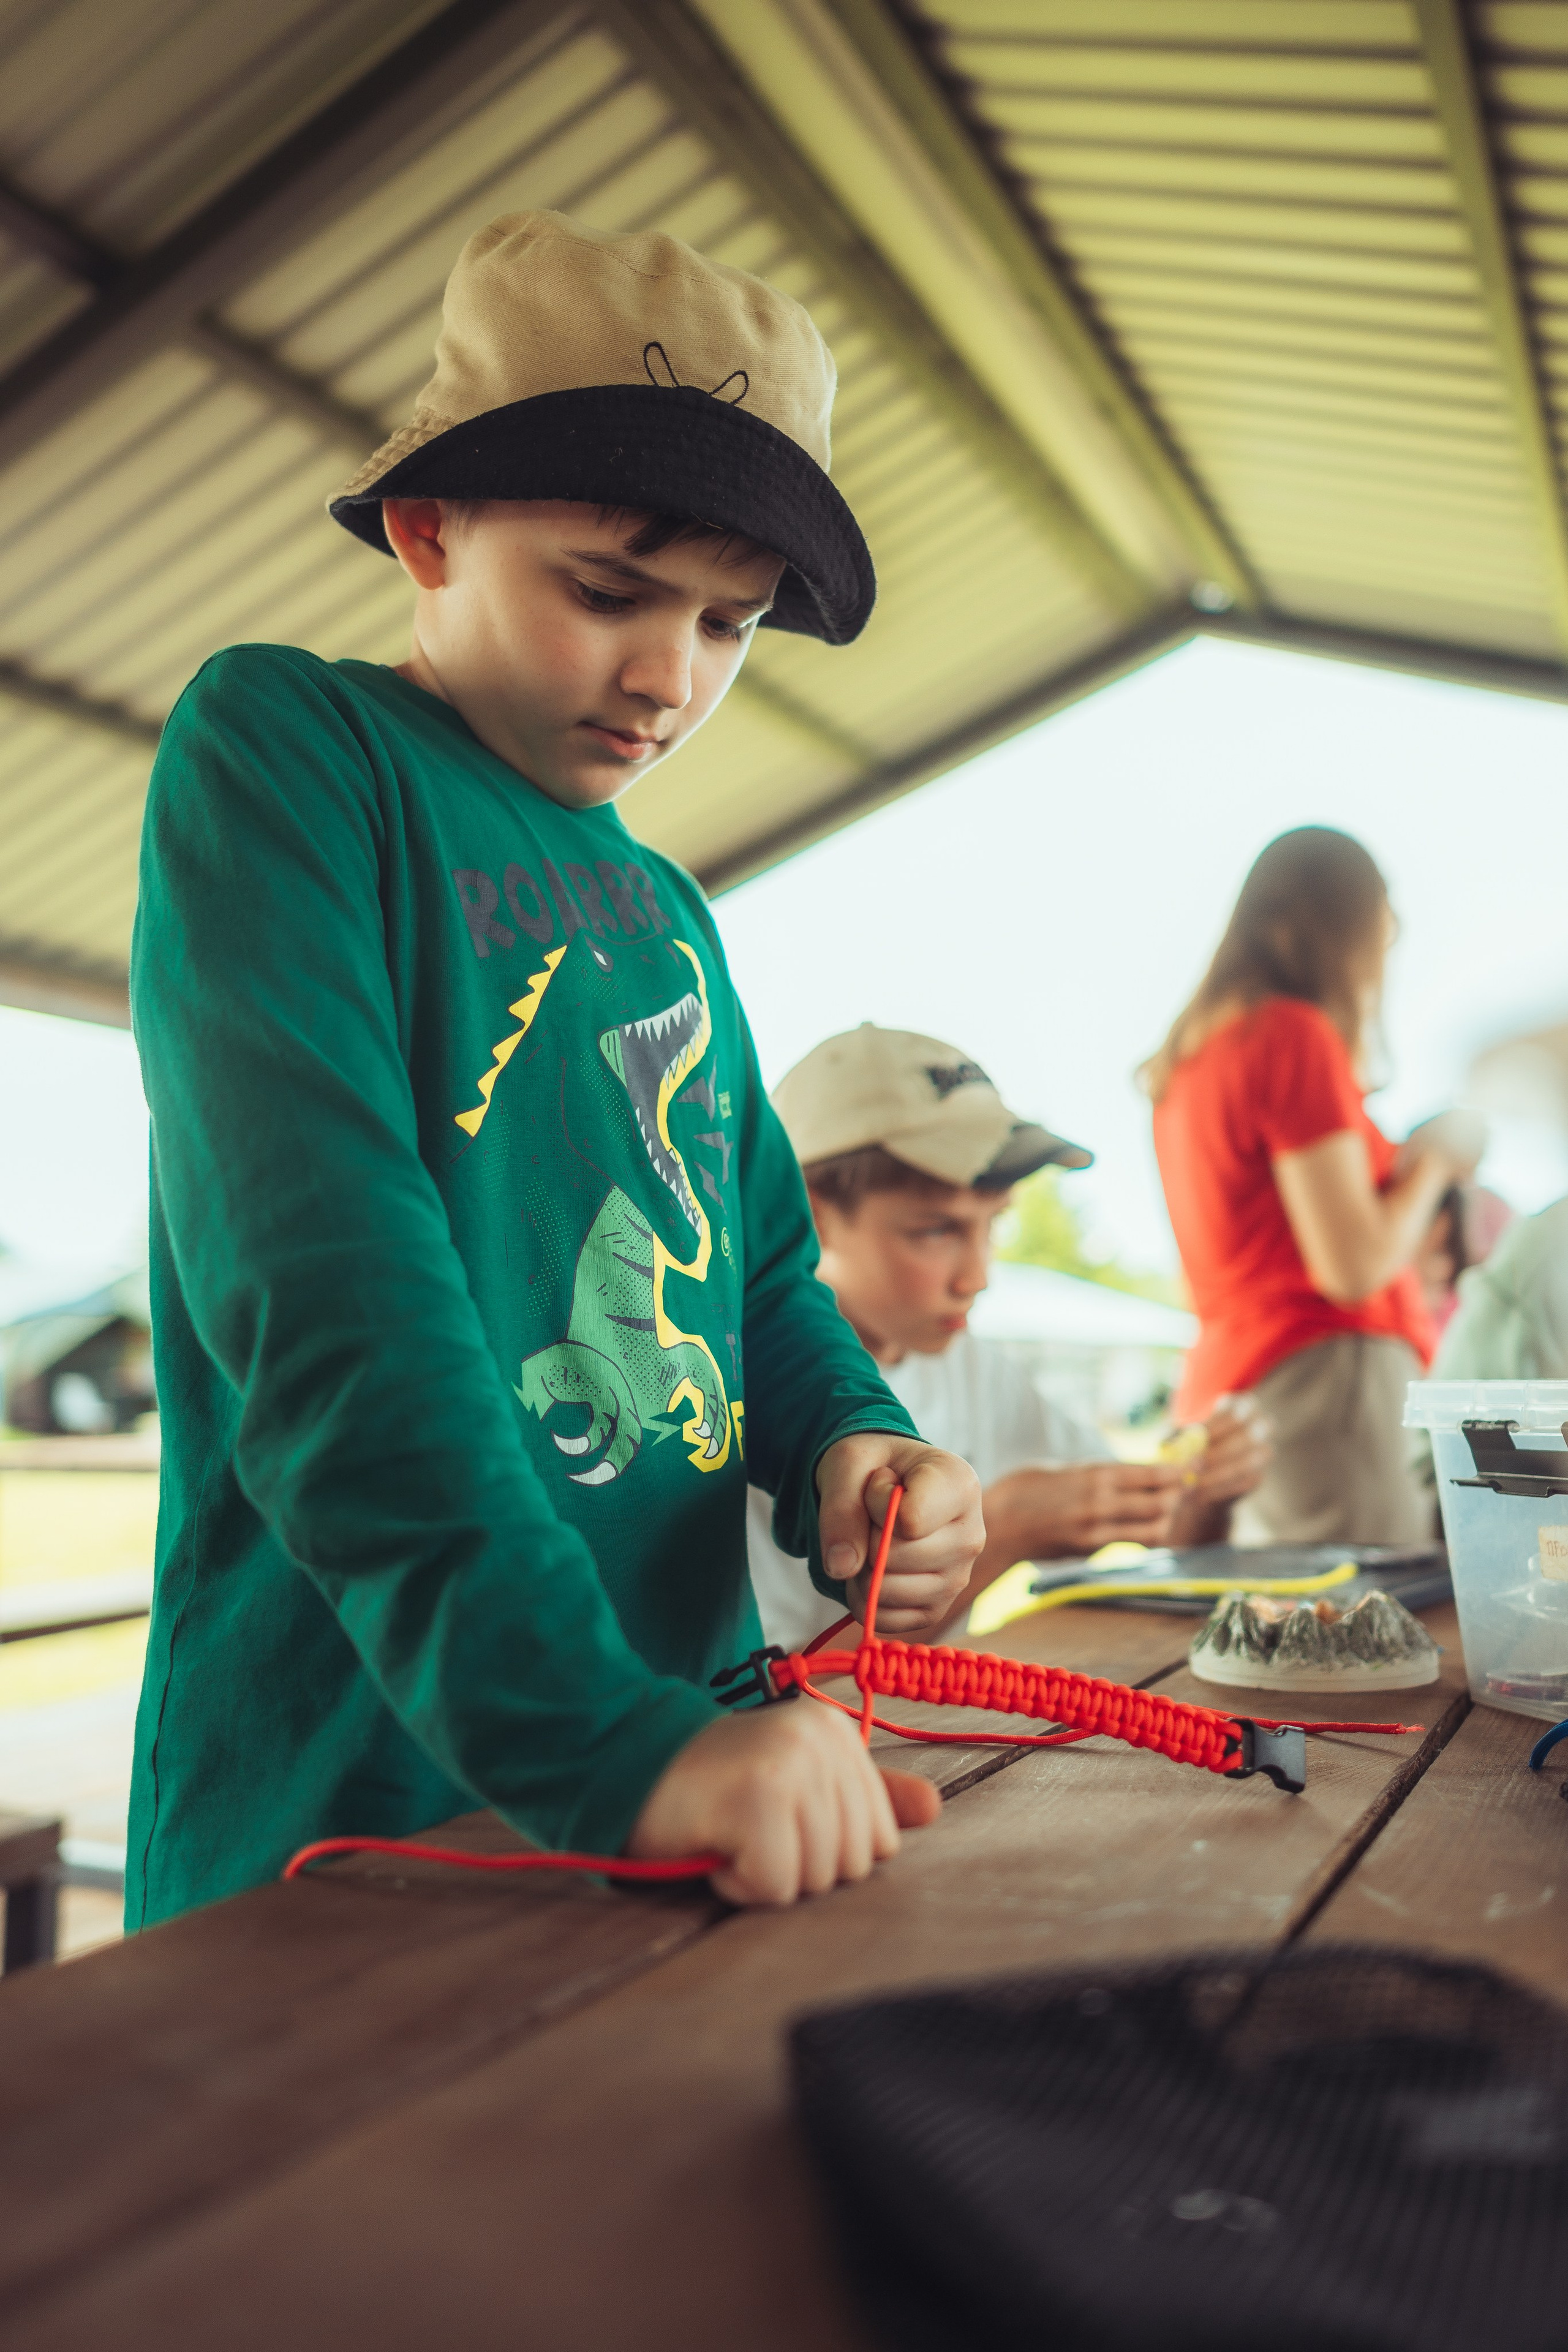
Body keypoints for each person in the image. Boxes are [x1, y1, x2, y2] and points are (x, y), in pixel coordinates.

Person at [127, 211, 986, 1927]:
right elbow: (329, 1293)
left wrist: (853, 1442)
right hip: (361, 1820)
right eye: (607, 592)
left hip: (693, 1787)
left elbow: (750, 1273)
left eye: (731, 625)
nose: (669, 681)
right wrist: (606, 1742)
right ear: (429, 525)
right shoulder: (290, 754)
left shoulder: (668, 905)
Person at [745, 1025, 1271, 1653]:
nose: (978, 1277)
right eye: (935, 1231)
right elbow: (765, 1703)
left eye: (993, 1225)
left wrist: (1210, 1485)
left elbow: (1169, 1534)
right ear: (809, 1213)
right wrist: (1008, 1533)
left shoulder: (972, 1366)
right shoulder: (751, 1410)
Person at [1145, 826, 1479, 1546]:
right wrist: (1436, 1160)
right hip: (1328, 1383)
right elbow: (1353, 1267)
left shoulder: (1195, 1058)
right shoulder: (1292, 1035)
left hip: (1240, 1382)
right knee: (1357, 1638)